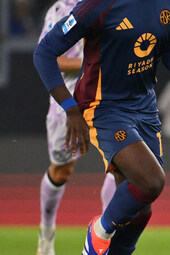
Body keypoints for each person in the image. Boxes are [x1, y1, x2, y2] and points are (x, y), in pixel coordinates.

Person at [33, 0, 170, 254]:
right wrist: (71, 109)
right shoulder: (98, 5)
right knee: (151, 182)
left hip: (144, 108)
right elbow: (44, 52)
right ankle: (99, 231)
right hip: (103, 107)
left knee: (142, 205)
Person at [36, 1, 116, 255]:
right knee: (61, 171)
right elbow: (48, 57)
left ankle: (107, 238)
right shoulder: (63, 9)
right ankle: (46, 233)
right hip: (68, 103)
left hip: (107, 100)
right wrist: (89, 65)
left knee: (121, 165)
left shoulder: (116, 5)